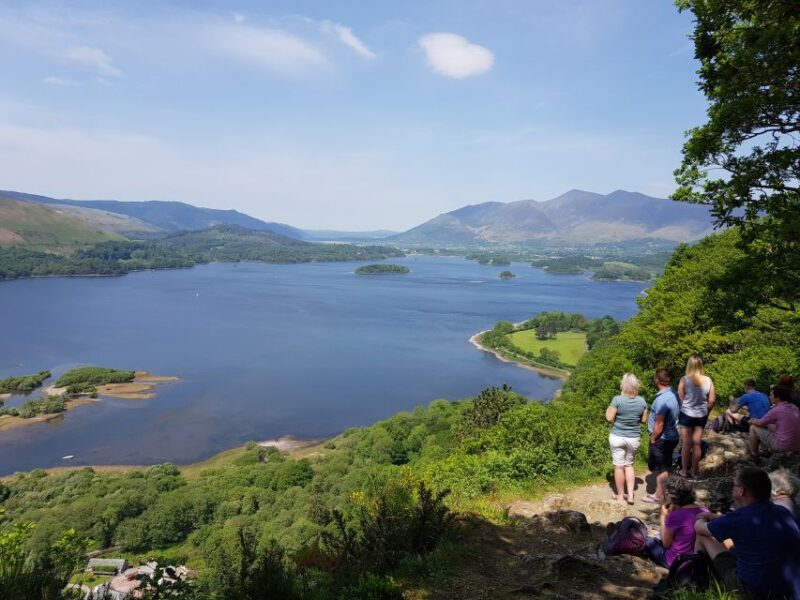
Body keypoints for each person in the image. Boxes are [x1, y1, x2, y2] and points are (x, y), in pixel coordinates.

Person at [694, 467, 800, 599]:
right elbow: (737, 521)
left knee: (703, 537)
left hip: (753, 591)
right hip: (788, 589)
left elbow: (700, 528)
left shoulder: (739, 518)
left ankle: (698, 585)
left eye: (735, 485)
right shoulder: (781, 512)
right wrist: (713, 516)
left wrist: (701, 517)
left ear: (741, 491)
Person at [645, 475, 708, 568]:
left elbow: (666, 544)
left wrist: (663, 517)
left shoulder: (675, 516)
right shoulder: (705, 510)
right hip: (697, 561)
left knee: (649, 541)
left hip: (676, 562)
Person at [606, 373, 648, 504]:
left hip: (617, 436)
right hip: (633, 438)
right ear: (636, 386)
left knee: (619, 467)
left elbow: (609, 418)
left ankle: (619, 495)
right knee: (629, 465)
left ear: (623, 386)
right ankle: (630, 495)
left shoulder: (617, 399)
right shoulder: (642, 401)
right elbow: (644, 420)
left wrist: (610, 409)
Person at [643, 369, 680, 504]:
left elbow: (659, 423)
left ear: (657, 380)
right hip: (672, 436)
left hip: (662, 438)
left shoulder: (662, 400)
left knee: (660, 469)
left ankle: (659, 495)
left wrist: (653, 438)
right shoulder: (673, 393)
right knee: (667, 465)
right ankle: (670, 491)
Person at [677, 356, 716, 478]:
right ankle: (694, 471)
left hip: (686, 414)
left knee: (686, 443)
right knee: (697, 444)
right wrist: (707, 411)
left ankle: (684, 471)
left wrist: (685, 408)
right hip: (701, 415)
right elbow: (712, 400)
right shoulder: (708, 380)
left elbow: (680, 399)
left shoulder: (684, 380)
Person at [749, 386, 800, 457]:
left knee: (753, 428)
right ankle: (766, 450)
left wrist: (752, 420)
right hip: (797, 446)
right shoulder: (794, 407)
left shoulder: (776, 410)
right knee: (768, 425)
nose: (769, 397)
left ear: (778, 398)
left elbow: (759, 423)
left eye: (771, 395)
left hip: (783, 446)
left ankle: (754, 454)